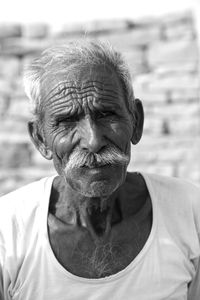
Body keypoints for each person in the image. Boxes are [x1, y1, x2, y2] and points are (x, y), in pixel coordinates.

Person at [0, 40, 199, 300]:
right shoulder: (8, 229)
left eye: (106, 114)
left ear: (136, 122)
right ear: (40, 139)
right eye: (67, 121)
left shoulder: (189, 211)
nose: (93, 141)